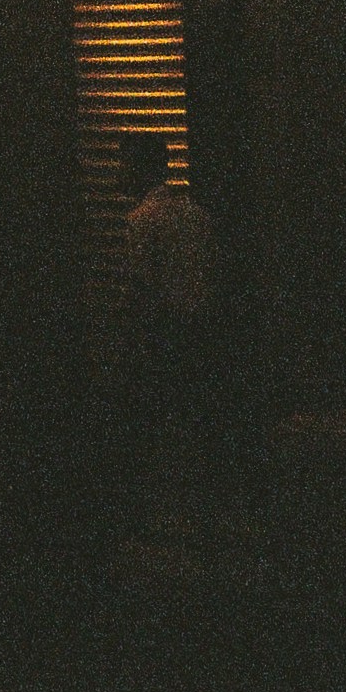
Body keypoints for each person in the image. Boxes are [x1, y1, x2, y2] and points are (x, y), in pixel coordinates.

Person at [120, 134, 218, 521]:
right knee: (192, 414)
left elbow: (141, 287)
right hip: (199, 327)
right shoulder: (196, 213)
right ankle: (196, 501)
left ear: (141, 170)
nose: (118, 176)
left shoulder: (142, 220)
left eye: (124, 166)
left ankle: (162, 507)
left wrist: (131, 341)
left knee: (157, 418)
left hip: (163, 332)